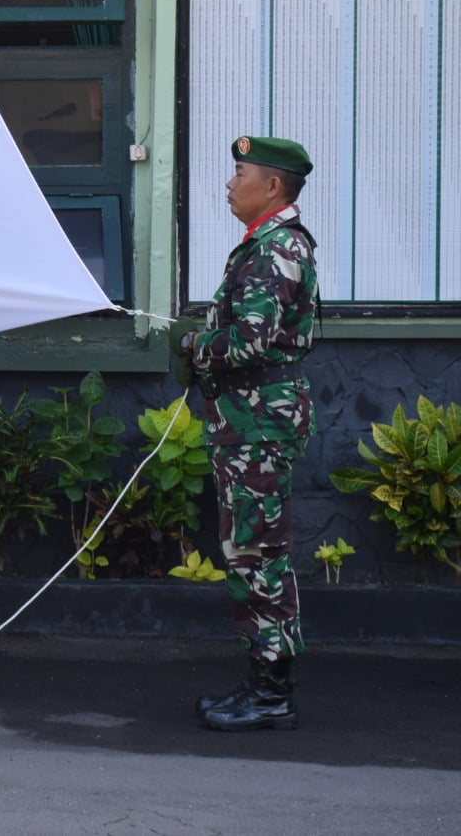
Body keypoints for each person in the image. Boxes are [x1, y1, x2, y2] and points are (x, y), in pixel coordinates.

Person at [173, 135, 318, 733]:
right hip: (253, 420)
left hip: (256, 422)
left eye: (240, 174)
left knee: (256, 555)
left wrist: (191, 345)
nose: (230, 185)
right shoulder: (269, 244)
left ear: (273, 186)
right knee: (253, 551)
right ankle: (264, 685)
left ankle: (269, 693)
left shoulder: (272, 248)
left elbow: (247, 343)